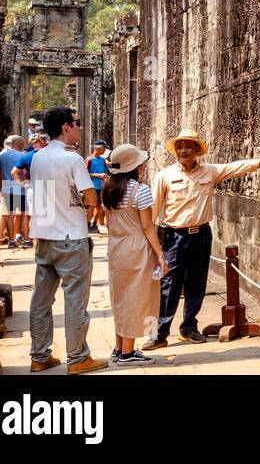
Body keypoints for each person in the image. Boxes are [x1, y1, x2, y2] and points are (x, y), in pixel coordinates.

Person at [147, 129, 260, 348]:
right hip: (174, 236)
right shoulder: (164, 176)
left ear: (196, 150)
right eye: (180, 146)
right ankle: (159, 334)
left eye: (188, 146)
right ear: (175, 150)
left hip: (201, 235)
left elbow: (236, 167)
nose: (183, 150)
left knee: (197, 282)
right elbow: (153, 211)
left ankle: (189, 328)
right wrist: (150, 244)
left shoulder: (209, 171)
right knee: (170, 285)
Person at [27, 107, 106, 374]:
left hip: (45, 236)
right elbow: (91, 197)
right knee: (75, 299)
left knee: (41, 300)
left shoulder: (37, 157)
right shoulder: (71, 159)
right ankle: (77, 357)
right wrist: (84, 209)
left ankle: (39, 355)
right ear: (65, 127)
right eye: (76, 123)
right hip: (71, 237)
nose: (79, 128)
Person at [100, 144, 165, 365]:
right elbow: (147, 226)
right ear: (135, 166)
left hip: (116, 246)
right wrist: (160, 254)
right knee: (137, 298)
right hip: (137, 247)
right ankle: (128, 352)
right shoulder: (140, 190)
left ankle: (119, 348)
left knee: (120, 297)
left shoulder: (107, 190)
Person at [11, 133, 47, 248]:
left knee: (30, 215)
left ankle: (30, 240)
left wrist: (22, 184)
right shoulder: (47, 155)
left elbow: (14, 172)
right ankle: (43, 240)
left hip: (31, 186)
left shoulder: (26, 156)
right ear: (40, 142)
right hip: (46, 185)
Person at [0, 136, 26, 247]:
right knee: (19, 214)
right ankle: (17, 237)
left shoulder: (1, 156)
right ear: (19, 144)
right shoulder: (22, 156)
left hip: (6, 187)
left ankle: (11, 240)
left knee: (6, 214)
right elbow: (24, 173)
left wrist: (1, 188)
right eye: (23, 144)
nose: (24, 146)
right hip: (20, 188)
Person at [86, 142, 109, 233]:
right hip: (92, 187)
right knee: (92, 206)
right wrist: (98, 175)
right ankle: (87, 225)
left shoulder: (103, 160)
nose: (105, 150)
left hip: (101, 187)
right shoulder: (89, 160)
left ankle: (94, 224)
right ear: (99, 149)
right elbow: (84, 174)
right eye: (104, 149)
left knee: (99, 207)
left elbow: (106, 172)